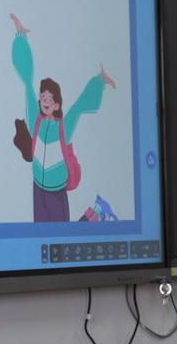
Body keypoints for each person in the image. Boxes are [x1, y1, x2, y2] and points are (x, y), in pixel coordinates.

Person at [9, 12, 116, 222]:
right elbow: (27, 80)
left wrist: (99, 82)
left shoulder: (63, 128)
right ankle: (96, 211)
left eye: (49, 98)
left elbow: (79, 106)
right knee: (42, 234)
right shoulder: (36, 120)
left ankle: (97, 212)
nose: (45, 101)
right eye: (43, 97)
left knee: (63, 235)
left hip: (56, 190)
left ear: (57, 104)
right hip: (38, 187)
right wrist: (20, 38)